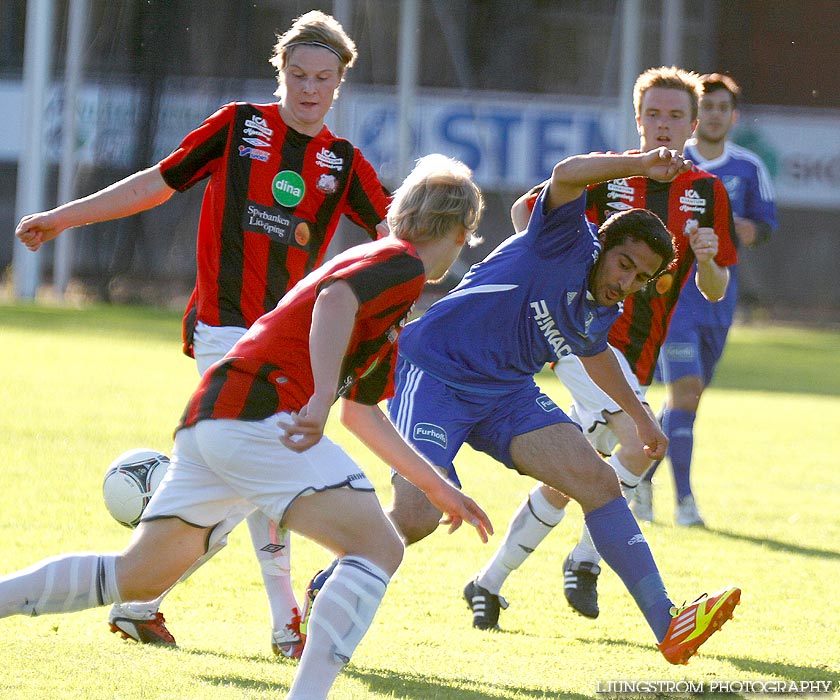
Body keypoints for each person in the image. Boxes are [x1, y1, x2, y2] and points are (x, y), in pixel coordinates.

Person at [0, 154, 492, 700]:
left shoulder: (381, 275)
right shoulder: (400, 265)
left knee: (137, 575)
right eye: (465, 235)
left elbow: (363, 414)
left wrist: (438, 488)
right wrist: (321, 395)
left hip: (215, 414)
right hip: (260, 411)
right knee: (379, 548)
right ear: (456, 228)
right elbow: (334, 302)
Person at [14, 11, 390, 656]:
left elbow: (395, 236)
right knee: (273, 464)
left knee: (246, 484)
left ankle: (142, 600)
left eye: (322, 79)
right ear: (281, 73)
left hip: (289, 349)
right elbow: (155, 184)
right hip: (225, 333)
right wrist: (61, 219)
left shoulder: (343, 163)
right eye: (297, 74)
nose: (308, 89)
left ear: (339, 85)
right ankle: (283, 623)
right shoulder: (239, 126)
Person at [309, 146, 741, 666]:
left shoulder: (607, 299)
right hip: (434, 373)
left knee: (600, 484)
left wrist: (642, 418)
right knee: (419, 515)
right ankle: (331, 583)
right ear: (603, 246)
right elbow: (563, 174)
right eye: (624, 264)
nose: (626, 282)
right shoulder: (562, 239)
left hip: (507, 394)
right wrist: (641, 162)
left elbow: (593, 350)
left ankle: (669, 625)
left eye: (641, 279)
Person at [471, 66, 738, 623]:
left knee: (574, 474)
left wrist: (709, 259)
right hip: (583, 341)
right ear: (638, 119)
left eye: (675, 117)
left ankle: (487, 583)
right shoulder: (609, 176)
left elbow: (714, 291)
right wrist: (557, 269)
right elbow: (528, 212)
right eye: (653, 115)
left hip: (635, 358)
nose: (663, 126)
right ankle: (588, 560)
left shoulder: (707, 194)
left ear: (692, 125)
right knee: (643, 443)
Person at [638, 73, 778, 526]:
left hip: (719, 296)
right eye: (709, 108)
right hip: (675, 298)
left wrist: (730, 227)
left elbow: (764, 226)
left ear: (731, 117)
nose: (715, 115)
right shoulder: (671, 165)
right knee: (687, 393)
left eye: (723, 108)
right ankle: (684, 503)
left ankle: (639, 475)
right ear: (698, 119)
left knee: (686, 403)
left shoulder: (747, 168)